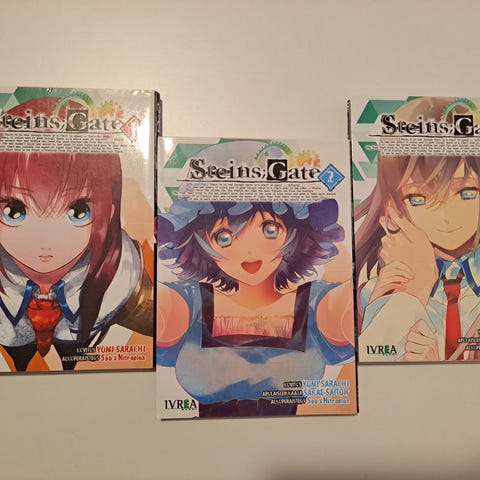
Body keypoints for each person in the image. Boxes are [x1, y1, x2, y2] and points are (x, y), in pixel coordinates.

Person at [157, 198, 355, 417]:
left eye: (270, 230)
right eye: (224, 238)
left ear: (296, 233)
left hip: (293, 433)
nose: (249, 252)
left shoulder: (314, 302)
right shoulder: (192, 301)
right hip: (205, 434)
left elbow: (353, 308)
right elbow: (156, 308)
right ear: (200, 244)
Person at [0, 151, 153, 371]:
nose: (46, 240)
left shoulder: (122, 278)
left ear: (108, 213)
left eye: (78, 212)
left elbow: (162, 323)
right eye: (14, 211)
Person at [355, 96, 480, 361]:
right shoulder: (379, 291)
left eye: (466, 193)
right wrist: (408, 297)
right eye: (419, 198)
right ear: (392, 207)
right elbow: (368, 366)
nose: (446, 217)